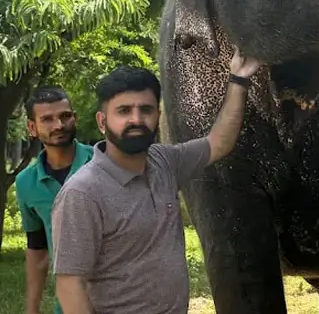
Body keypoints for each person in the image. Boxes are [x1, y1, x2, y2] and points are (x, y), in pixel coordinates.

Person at [50, 47, 263, 314]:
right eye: (124, 111)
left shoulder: (164, 162)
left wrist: (239, 79)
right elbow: (70, 286)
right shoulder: (83, 193)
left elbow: (218, 142)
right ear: (102, 122)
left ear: (157, 117)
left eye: (146, 110)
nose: (136, 119)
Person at [14, 86, 94, 314]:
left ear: (75, 118)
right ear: (32, 127)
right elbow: (37, 249)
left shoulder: (103, 162)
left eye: (65, 116)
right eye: (47, 119)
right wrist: (32, 309)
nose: (58, 125)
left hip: (124, 300)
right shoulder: (26, 183)